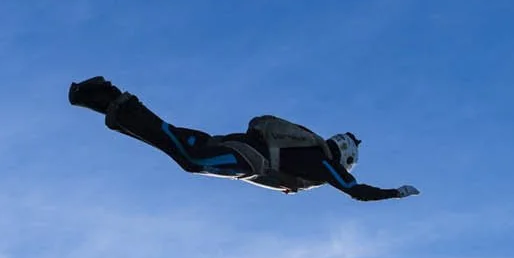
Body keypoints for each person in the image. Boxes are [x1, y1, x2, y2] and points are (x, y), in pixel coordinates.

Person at [69, 77, 419, 200]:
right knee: (190, 159)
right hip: (247, 157)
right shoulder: (324, 163)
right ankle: (114, 99)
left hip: (239, 149)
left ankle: (104, 102)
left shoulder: (311, 151)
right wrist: (395, 193)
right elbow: (356, 191)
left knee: (181, 151)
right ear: (345, 157)